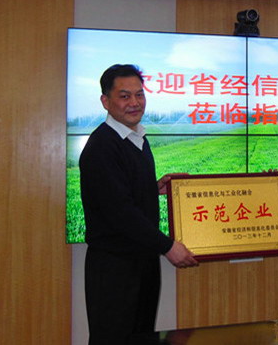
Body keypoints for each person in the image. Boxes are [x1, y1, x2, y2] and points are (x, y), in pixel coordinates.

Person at [80, 63, 198, 344]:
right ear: (105, 101)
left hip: (141, 262)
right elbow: (119, 212)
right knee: (114, 337)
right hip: (115, 268)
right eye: (124, 96)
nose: (134, 102)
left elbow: (121, 193)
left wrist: (153, 189)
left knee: (142, 336)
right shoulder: (102, 146)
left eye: (139, 94)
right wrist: (168, 246)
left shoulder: (136, 139)